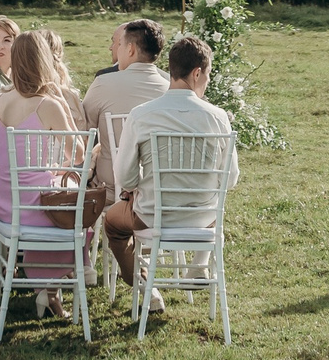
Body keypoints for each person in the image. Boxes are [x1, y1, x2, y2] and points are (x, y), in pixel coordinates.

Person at [99, 34, 239, 312]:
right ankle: (198, 265)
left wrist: (134, 187)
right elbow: (231, 179)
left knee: (113, 225)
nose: (207, 81)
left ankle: (143, 286)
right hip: (203, 218)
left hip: (151, 215)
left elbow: (124, 176)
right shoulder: (217, 116)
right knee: (213, 218)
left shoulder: (142, 114)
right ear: (197, 72)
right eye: (208, 75)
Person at [0, 31, 89, 318]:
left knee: (59, 198)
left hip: (5, 205)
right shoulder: (48, 104)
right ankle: (49, 288)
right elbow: (78, 154)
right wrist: (62, 104)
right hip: (34, 208)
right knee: (81, 221)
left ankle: (46, 290)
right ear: (44, 60)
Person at [80, 18, 171, 173]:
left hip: (110, 183)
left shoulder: (103, 83)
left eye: (120, 44)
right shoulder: (169, 88)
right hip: (155, 184)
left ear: (130, 49)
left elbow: (83, 132)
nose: (115, 49)